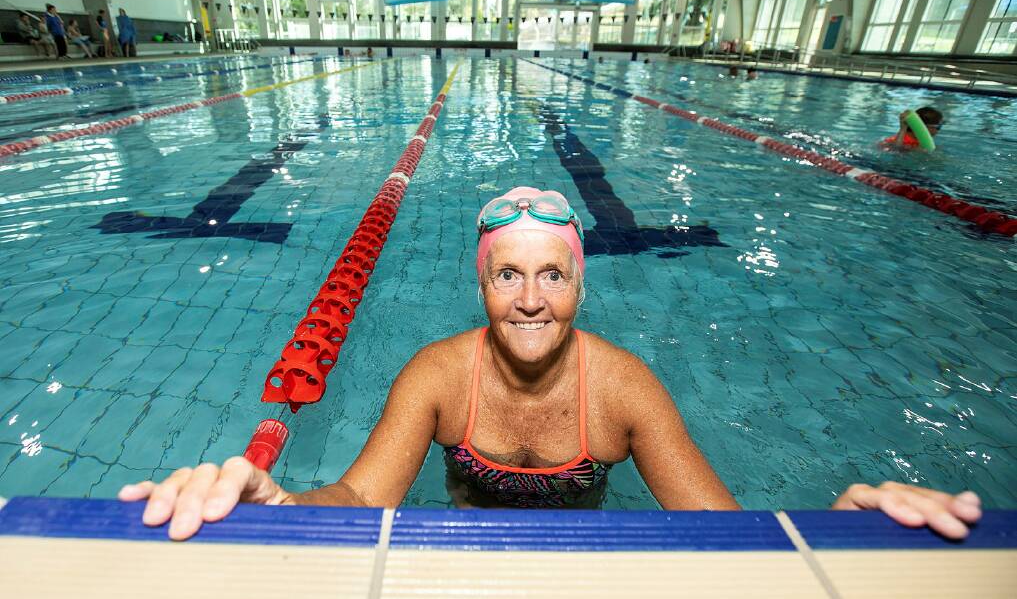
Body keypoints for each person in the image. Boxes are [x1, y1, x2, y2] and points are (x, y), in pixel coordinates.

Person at [120, 187, 984, 541]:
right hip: (460, 545)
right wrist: (282, 501)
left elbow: (721, 535)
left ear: (579, 283)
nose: (530, 299)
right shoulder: (434, 375)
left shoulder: (624, 389)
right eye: (508, 274)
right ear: (482, 283)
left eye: (551, 275)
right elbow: (354, 498)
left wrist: (835, 526)